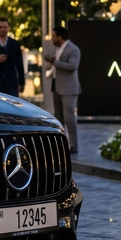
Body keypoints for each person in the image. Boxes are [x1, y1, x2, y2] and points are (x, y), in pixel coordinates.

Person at [44, 25, 81, 154]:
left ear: (60, 36)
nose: (52, 39)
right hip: (57, 87)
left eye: (54, 36)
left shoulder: (73, 49)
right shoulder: (58, 49)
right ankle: (61, 144)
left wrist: (55, 63)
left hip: (69, 89)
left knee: (69, 118)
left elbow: (72, 66)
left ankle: (74, 145)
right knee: (58, 118)